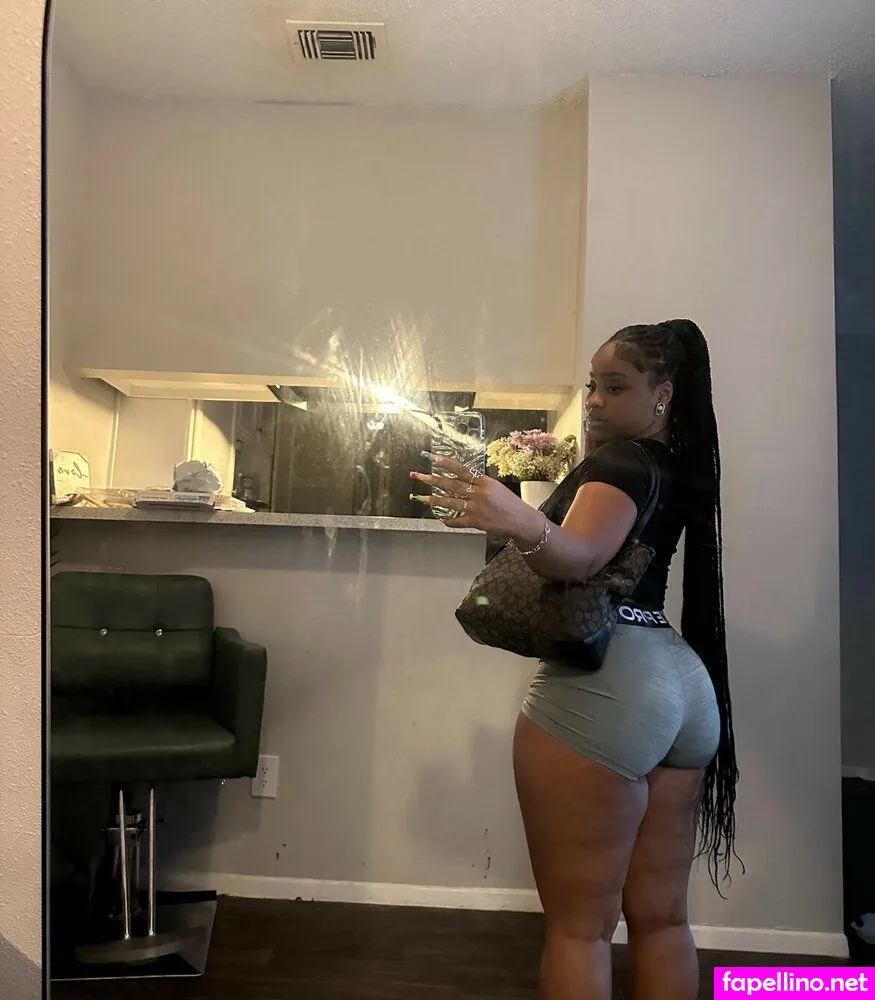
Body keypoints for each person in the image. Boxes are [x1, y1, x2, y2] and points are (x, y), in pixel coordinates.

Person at [409, 319, 739, 1000]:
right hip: (680, 684)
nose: (592, 400)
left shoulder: (621, 465)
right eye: (592, 385)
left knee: (579, 930)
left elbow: (581, 557)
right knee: (663, 919)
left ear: (662, 394)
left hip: (609, 688)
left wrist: (517, 517)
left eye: (614, 387)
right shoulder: (673, 465)